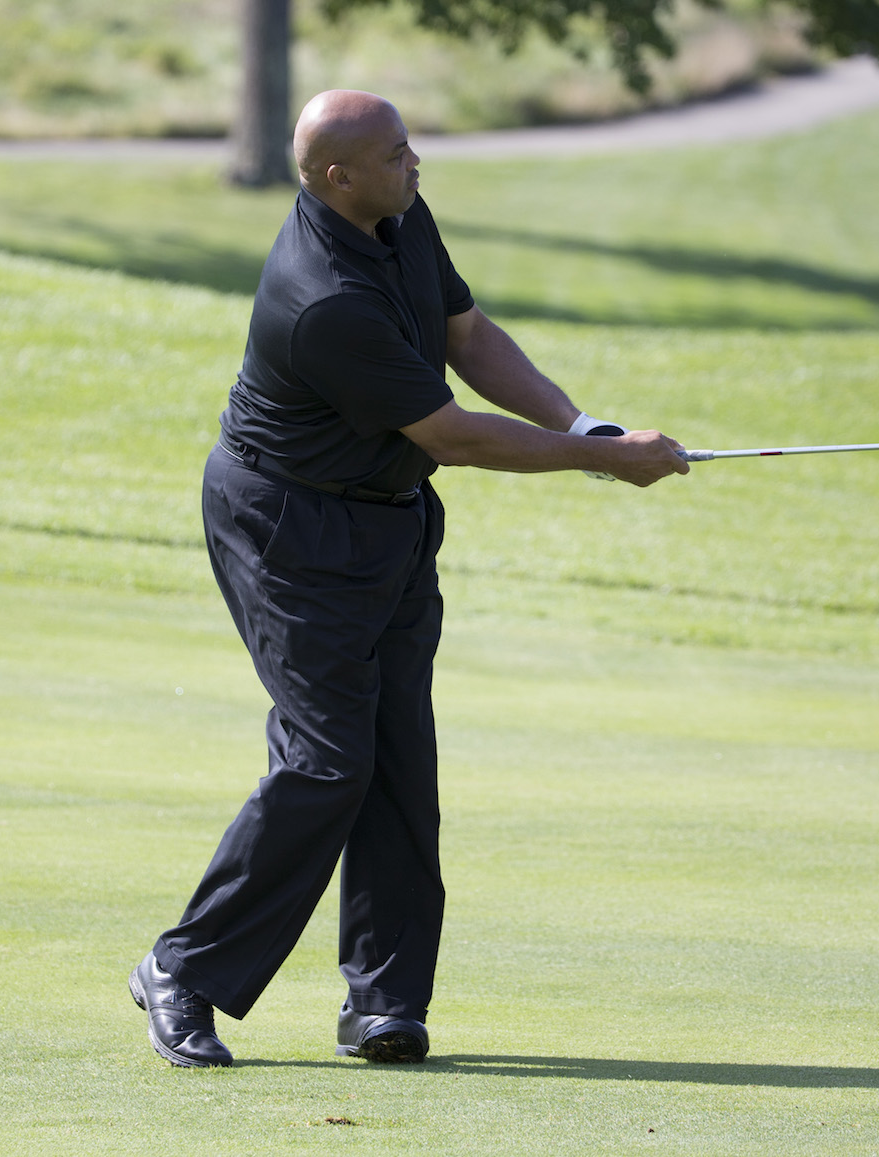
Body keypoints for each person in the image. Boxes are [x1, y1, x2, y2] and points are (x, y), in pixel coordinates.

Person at [129, 89, 689, 1069]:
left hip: (384, 519)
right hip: (288, 528)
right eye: (394, 153)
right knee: (325, 759)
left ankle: (382, 1001)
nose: (414, 161)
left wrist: (577, 426)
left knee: (395, 758)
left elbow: (466, 335)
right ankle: (182, 969)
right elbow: (452, 434)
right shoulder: (324, 298)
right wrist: (604, 463)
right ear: (335, 176)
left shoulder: (395, 214)